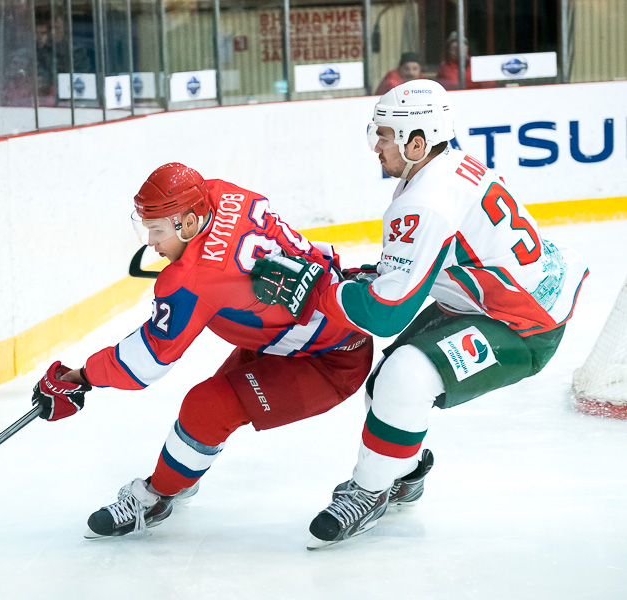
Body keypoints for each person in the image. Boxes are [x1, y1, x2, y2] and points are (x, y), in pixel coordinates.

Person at [250, 79, 588, 548]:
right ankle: (406, 471)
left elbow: (386, 313)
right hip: (497, 302)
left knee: (404, 378)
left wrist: (318, 293)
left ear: (418, 141)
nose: (377, 147)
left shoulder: (424, 200)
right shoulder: (444, 167)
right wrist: (352, 278)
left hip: (525, 327)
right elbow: (421, 267)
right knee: (385, 382)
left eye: (385, 136)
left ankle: (369, 492)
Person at [31, 162, 377, 538]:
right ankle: (177, 481)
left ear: (190, 223)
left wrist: (81, 376)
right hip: (293, 330)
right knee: (208, 413)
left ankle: (157, 495)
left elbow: (147, 361)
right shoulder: (219, 192)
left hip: (329, 357)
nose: (152, 243)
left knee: (207, 407)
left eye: (158, 231)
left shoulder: (194, 278)